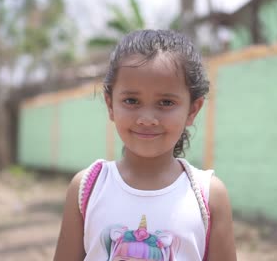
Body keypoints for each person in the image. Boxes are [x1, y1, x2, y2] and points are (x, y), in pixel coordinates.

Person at [54, 29, 237, 261]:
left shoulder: (210, 196)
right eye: (131, 101)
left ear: (192, 110)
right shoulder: (87, 188)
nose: (147, 118)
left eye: (166, 102)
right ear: (110, 105)